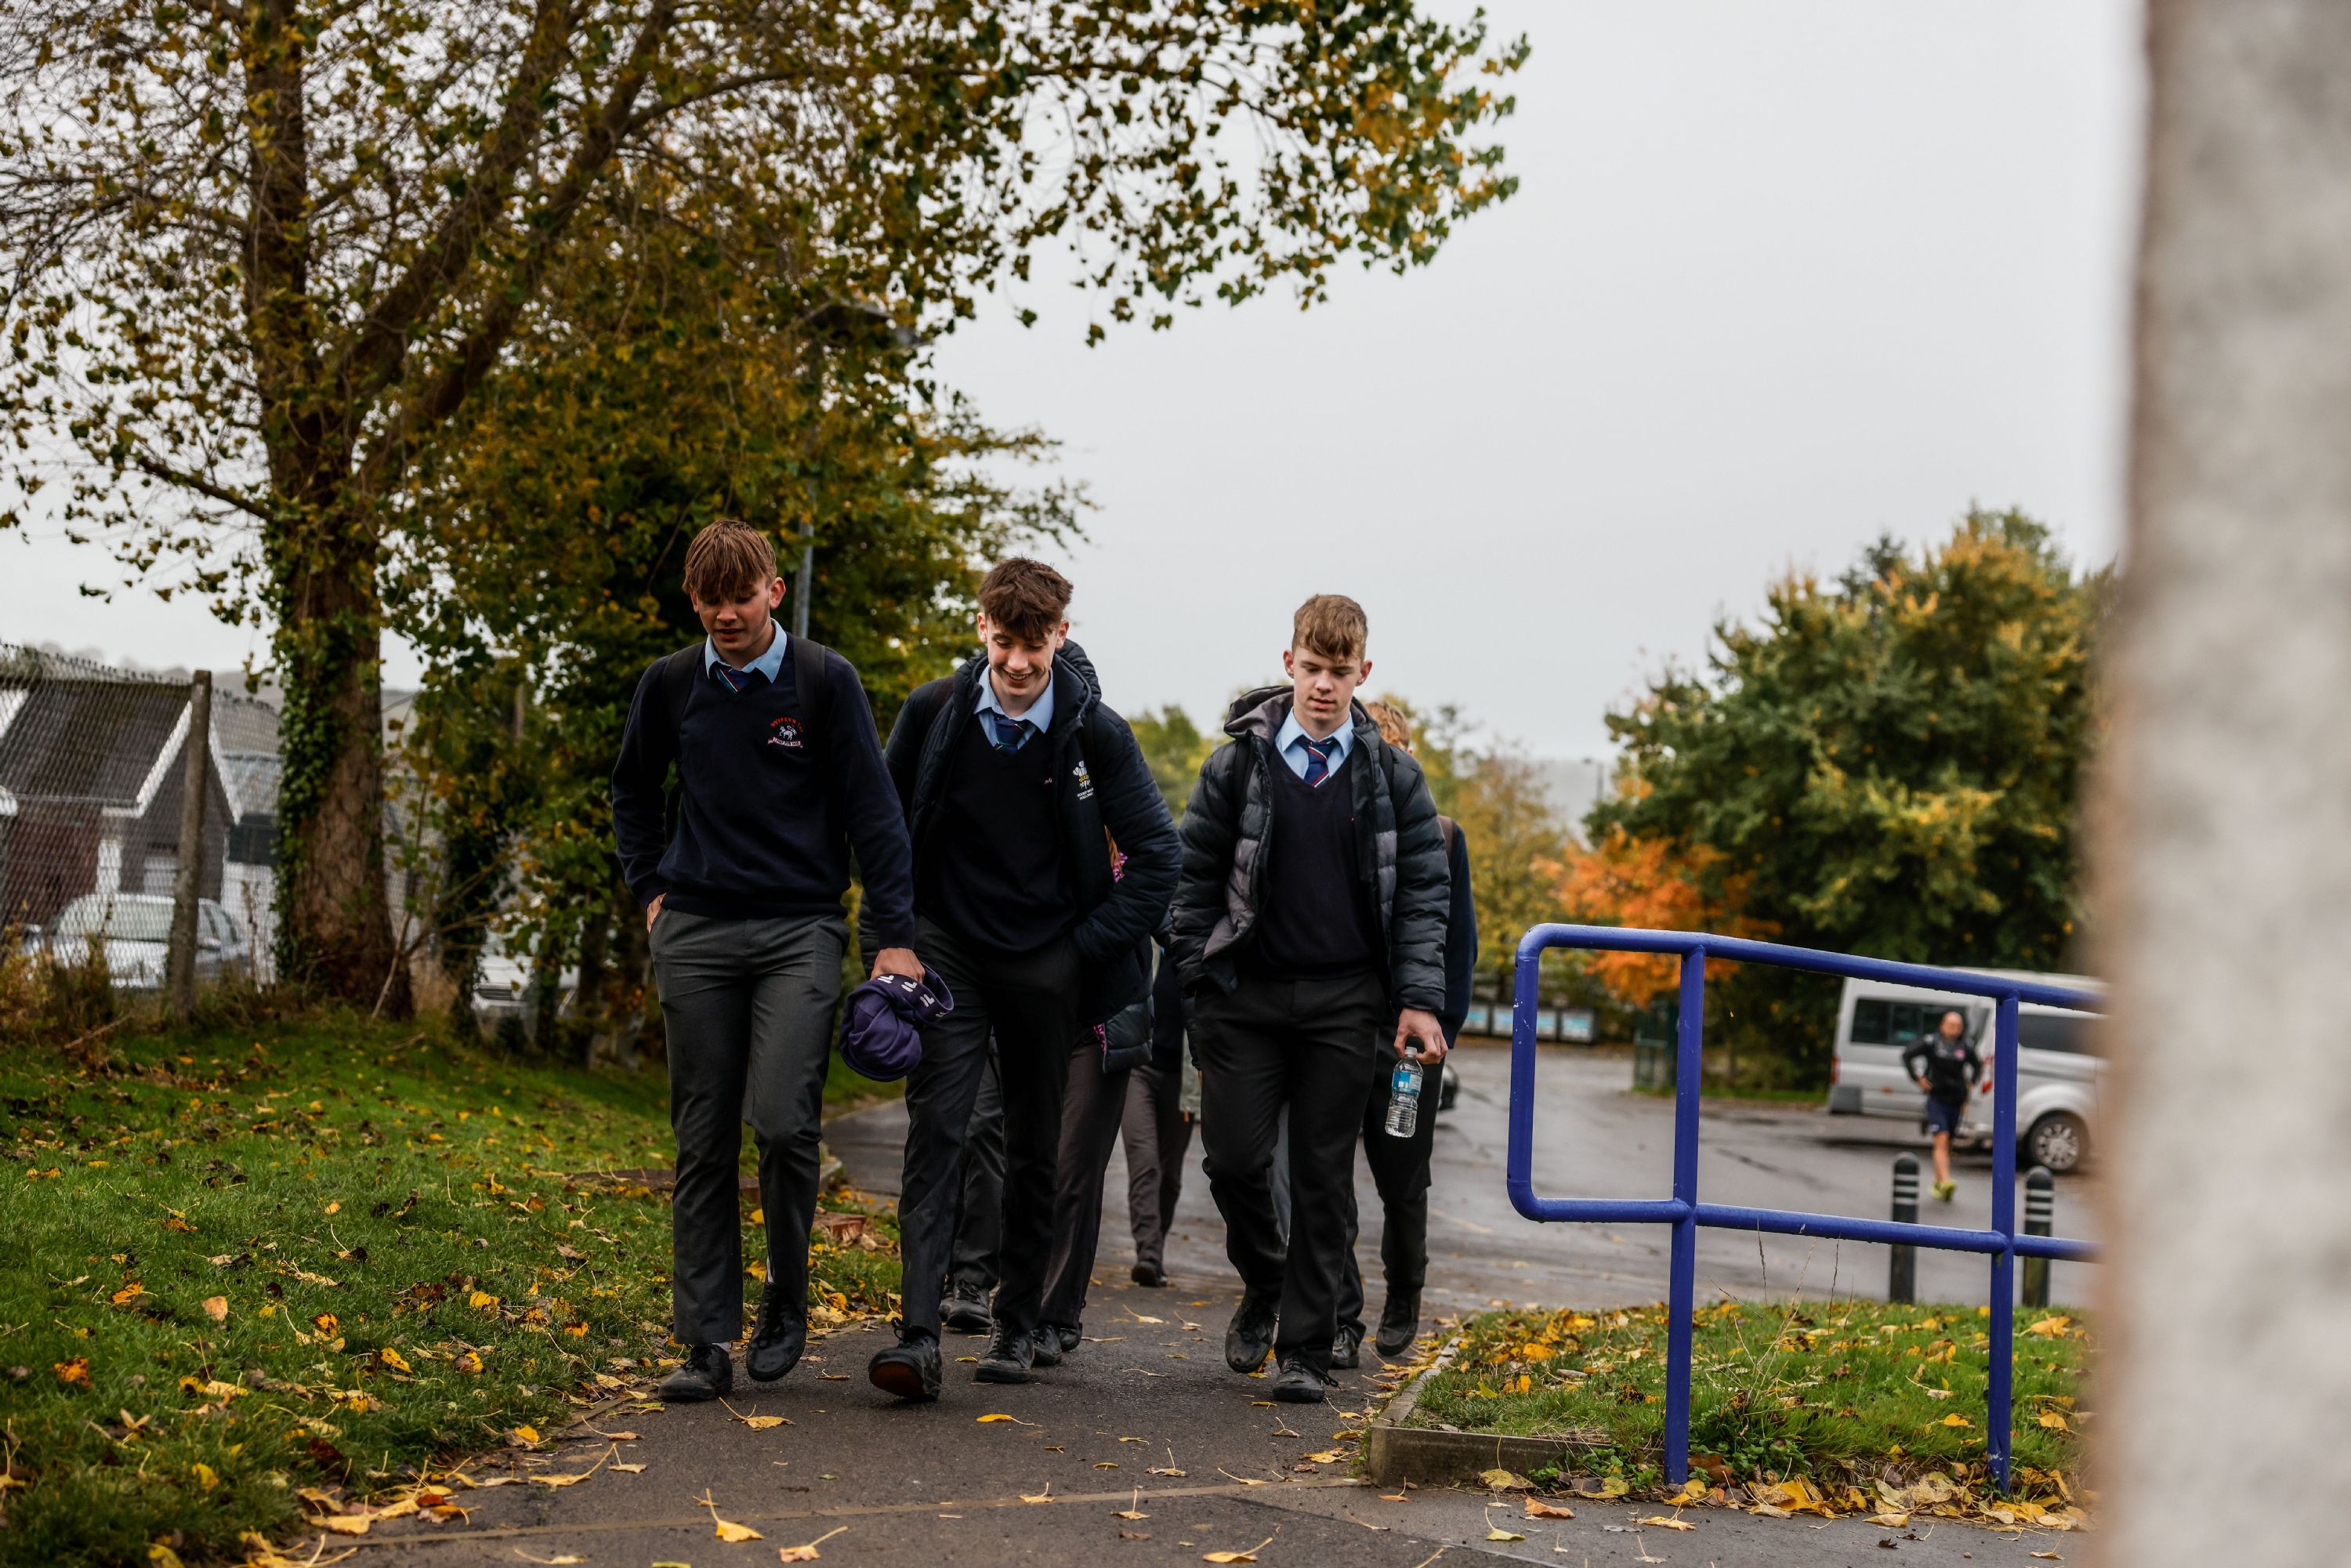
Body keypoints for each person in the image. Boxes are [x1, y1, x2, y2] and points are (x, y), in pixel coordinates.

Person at [610, 519, 919, 1403]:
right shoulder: (670, 685)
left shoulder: (824, 682)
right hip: (697, 930)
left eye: (740, 599)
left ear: (774, 591)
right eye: (709, 602)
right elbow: (632, 790)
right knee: (702, 1140)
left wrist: (890, 935)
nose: (725, 616)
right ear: (694, 600)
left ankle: (787, 1298)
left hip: (800, 931)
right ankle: (705, 1339)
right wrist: (651, 893)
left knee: (784, 1122)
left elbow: (875, 814)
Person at [864, 558, 1179, 1400]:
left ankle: (1016, 1325)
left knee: (1040, 1145)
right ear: (982, 631)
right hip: (951, 954)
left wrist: (1084, 951)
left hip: (1048, 959)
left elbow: (1160, 859)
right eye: (1003, 644)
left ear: (1061, 636)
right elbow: (883, 831)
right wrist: (890, 940)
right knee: (943, 1131)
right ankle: (919, 1334)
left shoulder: (1095, 732)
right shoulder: (935, 714)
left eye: (1033, 647)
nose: (1015, 665)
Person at [1170, 593, 1451, 1404]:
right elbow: (1193, 879)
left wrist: (1418, 999)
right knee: (1233, 1162)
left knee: (1324, 1178)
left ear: (1364, 673)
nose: (1324, 685)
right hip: (1245, 997)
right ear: (1288, 661)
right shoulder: (1236, 765)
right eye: (1312, 668)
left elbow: (1425, 895)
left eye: (1340, 671)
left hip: (1343, 1002)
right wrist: (1196, 976)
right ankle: (1264, 1280)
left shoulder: (1394, 777)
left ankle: (1304, 1349)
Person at [1332, 699, 1476, 1367]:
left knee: (1402, 1178)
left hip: (1410, 1047)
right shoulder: (1339, 823)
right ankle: (1340, 1310)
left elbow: (1459, 945)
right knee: (1327, 1175)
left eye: (1401, 747)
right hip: (1343, 1027)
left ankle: (1404, 1295)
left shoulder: (1443, 835)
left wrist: (1441, 1026)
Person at [1120, 951, 1193, 1287]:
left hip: (1184, 1080)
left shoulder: (1200, 948)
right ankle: (1148, 1254)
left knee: (1171, 1175)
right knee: (1145, 1161)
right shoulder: (1145, 945)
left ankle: (1156, 1246)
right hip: (1139, 1069)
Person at [1903, 1008, 1982, 1201]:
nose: (1955, 1029)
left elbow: (1977, 1066)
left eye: (1958, 1026)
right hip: (1937, 1098)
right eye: (1951, 1025)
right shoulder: (1932, 1042)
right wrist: (1918, 1078)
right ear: (1942, 1026)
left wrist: (1971, 1084)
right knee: (1941, 1138)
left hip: (1956, 1100)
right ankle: (1946, 1180)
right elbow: (1907, 1055)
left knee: (1948, 1142)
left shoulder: (1965, 1046)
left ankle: (1939, 1182)